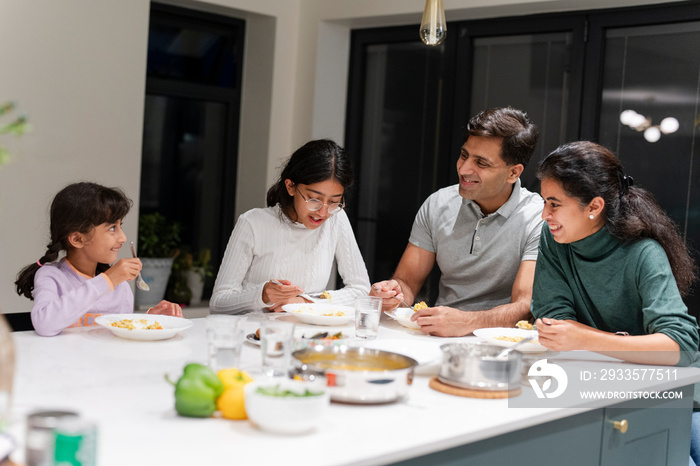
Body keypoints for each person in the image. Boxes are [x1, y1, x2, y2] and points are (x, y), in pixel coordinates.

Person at [530, 141, 700, 466]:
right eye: (543, 202)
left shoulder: (643, 253)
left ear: (593, 206)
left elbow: (681, 346)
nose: (544, 215)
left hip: (674, 394)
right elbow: (554, 316)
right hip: (598, 387)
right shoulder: (553, 237)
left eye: (554, 204)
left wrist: (585, 339)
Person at [371, 107, 543, 337]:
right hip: (437, 335)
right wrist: (393, 293)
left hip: (503, 343)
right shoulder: (438, 203)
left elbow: (524, 307)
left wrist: (467, 322)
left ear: (513, 173)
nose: (464, 168)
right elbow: (407, 283)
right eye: (464, 155)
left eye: (481, 163)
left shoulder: (538, 218)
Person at [209, 139, 371, 315]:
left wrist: (304, 301)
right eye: (314, 199)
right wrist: (262, 295)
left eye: (333, 201)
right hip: (256, 337)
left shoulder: (337, 220)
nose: (323, 212)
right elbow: (218, 303)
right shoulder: (253, 223)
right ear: (291, 186)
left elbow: (361, 291)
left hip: (307, 336)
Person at [15, 182, 183, 337]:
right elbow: (45, 325)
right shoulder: (51, 277)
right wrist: (108, 280)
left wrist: (150, 320)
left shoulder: (120, 287)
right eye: (112, 228)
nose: (123, 237)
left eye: (120, 226)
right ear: (77, 239)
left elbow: (119, 331)